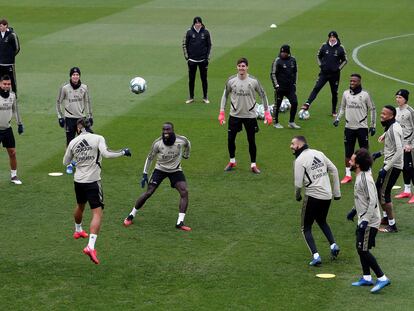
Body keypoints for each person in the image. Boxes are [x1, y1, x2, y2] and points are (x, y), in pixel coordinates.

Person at [63, 118, 131, 264]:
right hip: (92, 181)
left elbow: (65, 162)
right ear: (90, 126)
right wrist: (123, 152)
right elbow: (106, 154)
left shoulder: (73, 142)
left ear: (78, 128)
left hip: (78, 181)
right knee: (97, 213)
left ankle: (78, 230)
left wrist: (77, 161)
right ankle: (90, 246)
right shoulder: (98, 138)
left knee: (80, 205)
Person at [123, 122, 192, 231]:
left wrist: (186, 154)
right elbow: (150, 158)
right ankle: (131, 215)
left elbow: (188, 144)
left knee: (184, 191)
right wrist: (145, 174)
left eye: (168, 129)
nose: (165, 132)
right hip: (160, 169)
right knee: (148, 192)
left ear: (172, 130)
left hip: (175, 170)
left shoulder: (181, 140)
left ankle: (180, 222)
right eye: (164, 130)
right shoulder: (158, 143)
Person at [290, 135, 341, 266]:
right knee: (321, 220)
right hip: (327, 196)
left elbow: (298, 184)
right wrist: (336, 193)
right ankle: (333, 245)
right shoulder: (318, 153)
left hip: (312, 196)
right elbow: (334, 170)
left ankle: (316, 256)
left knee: (305, 227)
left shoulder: (299, 160)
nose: (291, 147)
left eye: (292, 144)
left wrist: (297, 196)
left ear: (299, 145)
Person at [347, 148, 391, 293]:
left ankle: (382, 277)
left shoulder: (366, 179)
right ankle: (366, 277)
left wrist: (365, 220)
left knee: (363, 249)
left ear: (358, 164)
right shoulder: (361, 176)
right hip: (363, 217)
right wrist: (354, 210)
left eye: (352, 160)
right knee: (360, 248)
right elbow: (362, 198)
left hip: (369, 220)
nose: (349, 162)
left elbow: (372, 201)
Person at [218, 57, 272, 174]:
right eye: (239, 66)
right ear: (237, 67)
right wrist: (222, 112)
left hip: (250, 116)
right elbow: (225, 96)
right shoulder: (231, 80)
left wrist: (267, 113)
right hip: (234, 115)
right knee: (230, 139)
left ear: (247, 67)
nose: (241, 68)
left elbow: (263, 95)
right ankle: (232, 161)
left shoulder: (253, 81)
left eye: (243, 66)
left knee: (251, 140)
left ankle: (253, 164)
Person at [333, 73, 376, 184]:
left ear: (359, 82)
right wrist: (338, 119)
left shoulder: (365, 94)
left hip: (362, 127)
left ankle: (368, 171)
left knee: (364, 151)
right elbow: (342, 107)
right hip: (349, 127)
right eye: (351, 81)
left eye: (354, 81)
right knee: (348, 152)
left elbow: (372, 109)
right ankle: (348, 175)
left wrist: (372, 125)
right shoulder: (346, 94)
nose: (352, 83)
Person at [372, 105, 403, 233]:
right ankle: (385, 218)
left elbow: (399, 150)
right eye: (381, 113)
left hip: (393, 166)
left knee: (384, 193)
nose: (381, 116)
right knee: (378, 189)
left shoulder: (394, 129)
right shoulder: (390, 127)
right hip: (389, 164)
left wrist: (386, 168)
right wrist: (379, 154)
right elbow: (391, 148)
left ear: (391, 116)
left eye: (384, 114)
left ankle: (392, 224)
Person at [301, 31, 347, 116]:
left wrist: (338, 68)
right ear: (329, 38)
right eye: (331, 37)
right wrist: (321, 65)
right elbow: (318, 56)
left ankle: (333, 111)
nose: (332, 39)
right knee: (317, 87)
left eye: (334, 37)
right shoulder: (324, 46)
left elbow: (345, 60)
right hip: (324, 73)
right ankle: (307, 103)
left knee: (334, 92)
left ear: (336, 38)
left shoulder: (340, 48)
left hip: (335, 75)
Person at [56, 67, 93, 174]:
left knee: (84, 142)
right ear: (70, 76)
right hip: (69, 119)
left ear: (79, 76)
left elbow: (88, 102)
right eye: (73, 75)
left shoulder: (84, 87)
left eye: (77, 75)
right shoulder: (64, 88)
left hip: (81, 119)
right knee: (70, 142)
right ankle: (69, 165)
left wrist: (90, 116)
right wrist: (60, 117)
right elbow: (58, 102)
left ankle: (81, 163)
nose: (75, 76)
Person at [182, 16, 212, 104]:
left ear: (201, 23)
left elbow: (209, 45)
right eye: (196, 23)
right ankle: (191, 97)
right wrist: (187, 57)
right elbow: (184, 44)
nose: (198, 25)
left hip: (203, 60)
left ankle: (205, 97)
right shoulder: (189, 32)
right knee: (191, 79)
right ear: (194, 24)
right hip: (192, 60)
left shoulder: (206, 32)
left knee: (204, 79)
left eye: (199, 23)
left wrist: (207, 57)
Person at [270, 44, 300, 129]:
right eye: (281, 52)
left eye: (284, 52)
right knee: (277, 105)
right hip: (280, 88)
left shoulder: (293, 60)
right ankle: (275, 122)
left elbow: (295, 73)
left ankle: (291, 122)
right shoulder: (277, 61)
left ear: (288, 53)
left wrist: (294, 83)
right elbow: (273, 74)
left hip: (290, 88)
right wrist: (276, 85)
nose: (282, 53)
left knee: (294, 103)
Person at [0, 75, 23, 184]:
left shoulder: (12, 96)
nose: (6, 86)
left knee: (13, 152)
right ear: (0, 84)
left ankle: (14, 176)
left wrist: (19, 124)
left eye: (8, 84)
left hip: (7, 129)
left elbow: (15, 110)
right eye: (4, 84)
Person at [393, 89, 414, 203]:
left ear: (405, 99)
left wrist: (411, 144)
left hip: (408, 145)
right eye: (396, 97)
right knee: (404, 167)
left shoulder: (410, 111)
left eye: (400, 98)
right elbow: (394, 127)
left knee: (410, 168)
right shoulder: (396, 111)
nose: (397, 99)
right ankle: (407, 190)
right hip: (399, 144)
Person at [0, 19, 20, 96]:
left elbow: (17, 48)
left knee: (12, 79)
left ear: (6, 26)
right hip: (0, 63)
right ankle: (1, 94)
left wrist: (10, 56)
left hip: (9, 63)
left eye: (1, 26)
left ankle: (14, 94)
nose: (0, 28)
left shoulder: (12, 35)